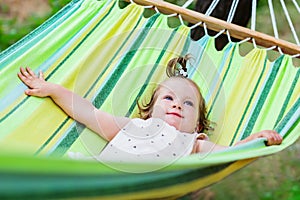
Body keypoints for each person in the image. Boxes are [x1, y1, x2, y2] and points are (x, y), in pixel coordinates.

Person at [17, 55, 282, 161]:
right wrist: (54, 89)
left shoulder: (193, 142)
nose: (177, 103)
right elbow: (87, 112)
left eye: (187, 103)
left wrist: (254, 141)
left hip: (143, 185)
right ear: (148, 111)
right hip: (96, 177)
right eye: (168, 99)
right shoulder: (132, 126)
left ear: (198, 126)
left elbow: (230, 155)